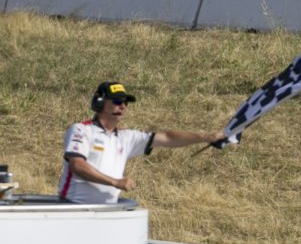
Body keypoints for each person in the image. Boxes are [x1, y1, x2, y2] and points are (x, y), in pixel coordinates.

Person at [58, 81, 226, 205]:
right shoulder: (81, 130)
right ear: (100, 102)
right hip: (74, 208)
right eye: (117, 101)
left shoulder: (125, 137)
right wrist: (115, 182)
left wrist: (206, 137)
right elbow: (78, 165)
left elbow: (167, 138)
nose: (122, 106)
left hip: (105, 212)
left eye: (125, 102)